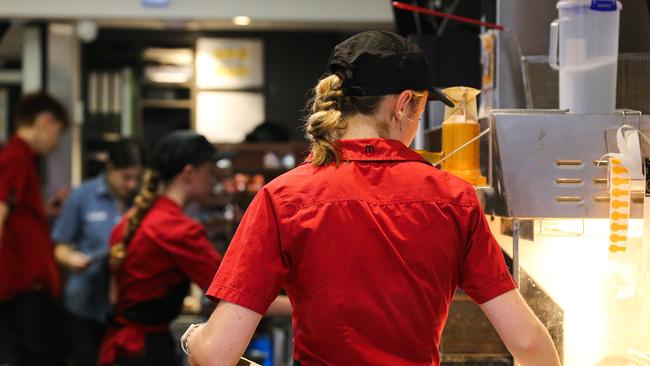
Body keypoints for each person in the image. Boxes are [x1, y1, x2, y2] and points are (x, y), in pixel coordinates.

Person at [184, 31, 561, 366]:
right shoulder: (455, 200)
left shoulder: (283, 198)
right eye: (421, 109)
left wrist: (192, 338)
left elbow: (217, 355)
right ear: (404, 104)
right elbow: (531, 346)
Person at [98, 131, 289, 366]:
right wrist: (300, 306)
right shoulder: (178, 230)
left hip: (118, 347)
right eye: (209, 171)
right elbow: (237, 297)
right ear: (189, 173)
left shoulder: (132, 219)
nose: (213, 180)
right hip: (145, 351)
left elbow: (113, 293)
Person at [51, 139, 145, 366]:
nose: (132, 184)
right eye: (126, 177)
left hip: (127, 308)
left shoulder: (142, 200)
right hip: (85, 304)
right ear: (110, 167)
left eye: (137, 178)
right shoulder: (82, 196)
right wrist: (71, 258)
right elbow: (59, 246)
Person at [0, 92, 69, 366]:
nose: (55, 143)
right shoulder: (15, 158)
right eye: (58, 132)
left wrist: (42, 212)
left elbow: (15, 212)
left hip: (24, 284)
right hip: (20, 286)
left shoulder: (22, 159)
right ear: (45, 121)